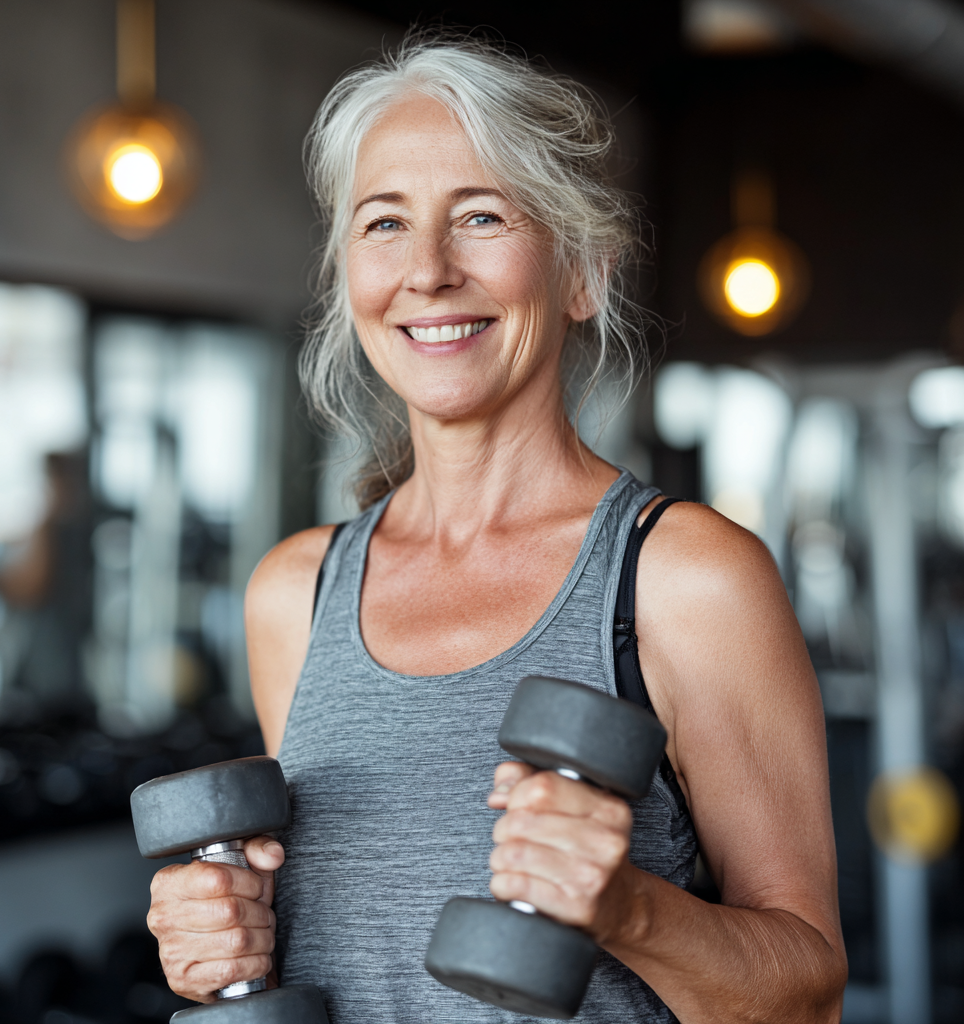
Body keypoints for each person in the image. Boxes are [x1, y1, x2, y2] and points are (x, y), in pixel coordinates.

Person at [147, 35, 847, 1022]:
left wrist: (623, 910)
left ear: (583, 275)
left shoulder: (685, 579)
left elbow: (805, 996)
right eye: (383, 223)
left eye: (480, 216)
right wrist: (221, 932)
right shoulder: (292, 595)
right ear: (348, 279)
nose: (426, 271)